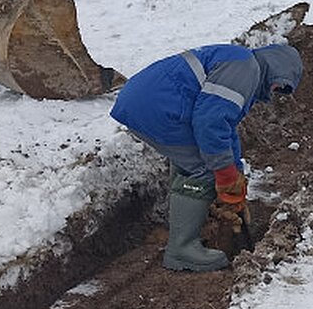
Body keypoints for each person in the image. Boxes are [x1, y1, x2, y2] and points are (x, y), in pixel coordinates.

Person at [110, 43, 302, 271]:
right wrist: (224, 173)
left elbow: (226, 127)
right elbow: (210, 123)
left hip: (147, 101)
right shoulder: (246, 70)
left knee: (192, 160)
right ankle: (181, 249)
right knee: (204, 169)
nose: (275, 91)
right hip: (160, 109)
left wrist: (235, 173)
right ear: (275, 66)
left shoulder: (242, 64)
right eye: (279, 85)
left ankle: (183, 224)